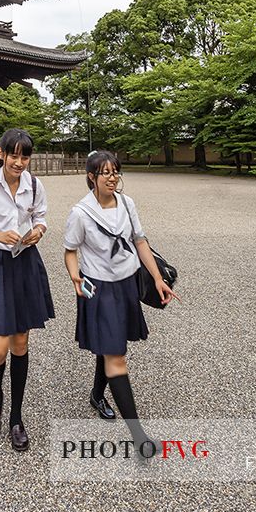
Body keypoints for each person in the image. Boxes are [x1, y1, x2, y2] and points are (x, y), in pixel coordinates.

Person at [64, 149, 178, 456]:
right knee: (116, 356)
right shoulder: (80, 213)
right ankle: (139, 436)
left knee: (111, 344)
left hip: (127, 283)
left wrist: (156, 278)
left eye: (116, 172)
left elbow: (140, 241)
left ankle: (97, 394)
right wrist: (75, 277)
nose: (113, 177)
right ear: (91, 177)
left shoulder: (127, 204)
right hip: (98, 288)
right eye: (106, 172)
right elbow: (70, 251)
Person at [0, 128, 54, 451]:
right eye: (13, 155)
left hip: (25, 263)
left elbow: (41, 218)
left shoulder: (34, 185)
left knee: (20, 341)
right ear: (1, 153)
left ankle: (16, 416)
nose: (19, 162)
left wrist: (38, 232)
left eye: (25, 156)